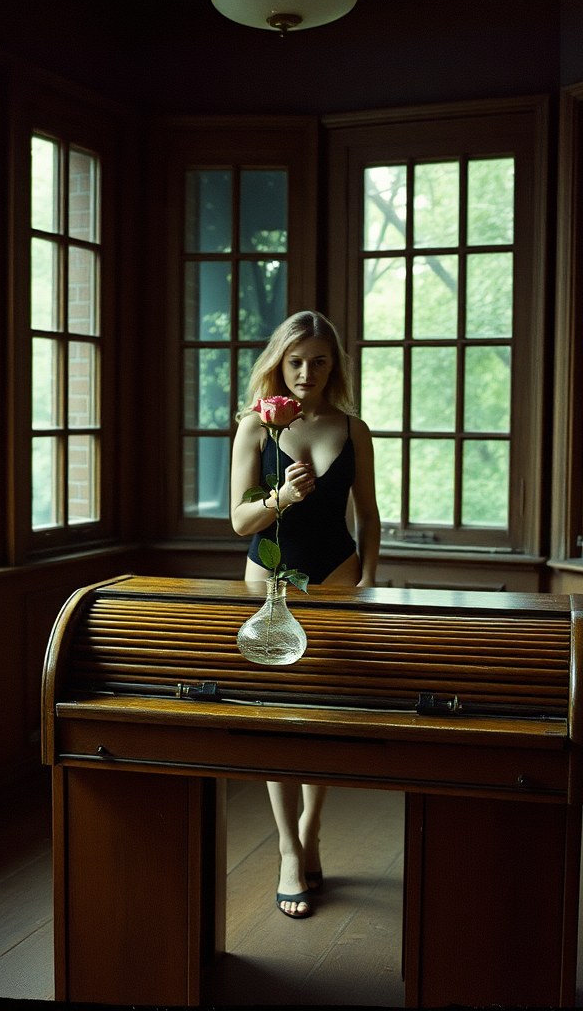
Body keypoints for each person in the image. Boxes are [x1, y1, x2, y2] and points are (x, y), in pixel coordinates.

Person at [230, 310, 380, 919]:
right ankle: (289, 849)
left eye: (319, 361)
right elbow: (240, 522)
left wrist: (370, 580)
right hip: (270, 585)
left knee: (328, 716)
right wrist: (281, 497)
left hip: (338, 580)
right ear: (277, 362)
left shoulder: (353, 427)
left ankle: (312, 829)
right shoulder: (252, 427)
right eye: (294, 361)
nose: (305, 372)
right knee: (275, 720)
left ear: (333, 365)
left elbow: (367, 514)